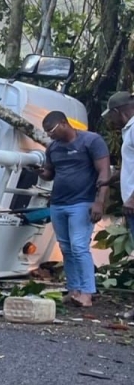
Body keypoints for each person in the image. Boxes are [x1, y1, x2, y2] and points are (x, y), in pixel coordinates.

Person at [37, 111, 110, 307]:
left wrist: (99, 201)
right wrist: (38, 171)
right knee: (66, 248)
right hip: (59, 203)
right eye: (46, 132)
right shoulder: (53, 148)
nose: (49, 135)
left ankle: (87, 293)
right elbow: (50, 174)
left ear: (64, 123)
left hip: (82, 202)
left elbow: (104, 171)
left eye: (51, 130)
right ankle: (74, 290)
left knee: (79, 247)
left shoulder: (91, 141)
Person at [102, 91, 134, 231]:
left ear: (116, 111)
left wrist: (132, 200)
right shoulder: (129, 129)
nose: (111, 120)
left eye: (111, 115)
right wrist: (110, 179)